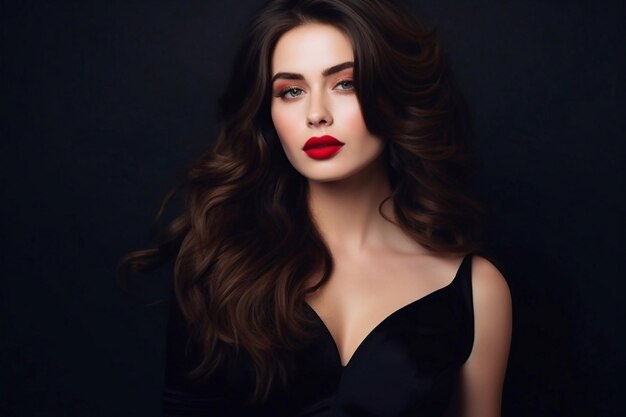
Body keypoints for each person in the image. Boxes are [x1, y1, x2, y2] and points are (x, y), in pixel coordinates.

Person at [118, 0, 512, 415]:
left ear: (393, 93)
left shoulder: (475, 292)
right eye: (291, 91)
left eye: (345, 84)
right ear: (268, 113)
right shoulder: (217, 266)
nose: (317, 114)